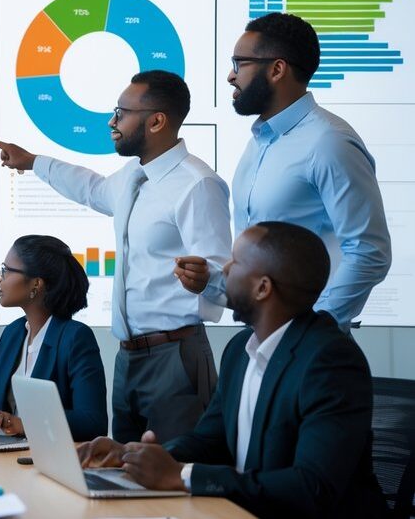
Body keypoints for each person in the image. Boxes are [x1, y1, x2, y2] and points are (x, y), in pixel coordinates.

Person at [77, 221, 387, 519]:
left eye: (235, 262)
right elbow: (209, 440)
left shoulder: (330, 361)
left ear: (262, 288)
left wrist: (183, 475)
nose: (224, 269)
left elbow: (312, 488)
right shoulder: (240, 349)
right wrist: (131, 456)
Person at [0, 70, 231, 443]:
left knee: (172, 468)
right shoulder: (136, 174)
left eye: (121, 113)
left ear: (156, 121)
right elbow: (93, 189)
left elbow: (224, 276)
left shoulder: (197, 185)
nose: (111, 122)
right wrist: (34, 162)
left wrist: (207, 278)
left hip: (175, 357)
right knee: (122, 468)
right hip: (128, 357)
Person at [175, 12, 391, 329]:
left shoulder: (329, 142)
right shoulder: (259, 143)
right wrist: (211, 281)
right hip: (258, 336)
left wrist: (314, 327)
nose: (231, 76)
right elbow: (260, 269)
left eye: (239, 64)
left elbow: (369, 251)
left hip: (307, 345)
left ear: (277, 69)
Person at [0, 235, 107, 441]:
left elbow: (93, 422)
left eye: (6, 270)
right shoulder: (14, 334)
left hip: (50, 456)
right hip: (7, 455)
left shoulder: (75, 338)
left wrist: (21, 424)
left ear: (36, 284)